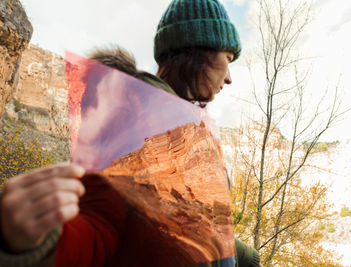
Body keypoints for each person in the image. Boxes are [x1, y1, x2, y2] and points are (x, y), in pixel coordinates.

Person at [0, 0, 261, 266]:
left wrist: (245, 257)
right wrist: (26, 240)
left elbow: (181, 231)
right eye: (227, 59)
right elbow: (101, 225)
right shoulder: (135, 118)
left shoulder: (185, 126)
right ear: (197, 50)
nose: (229, 78)